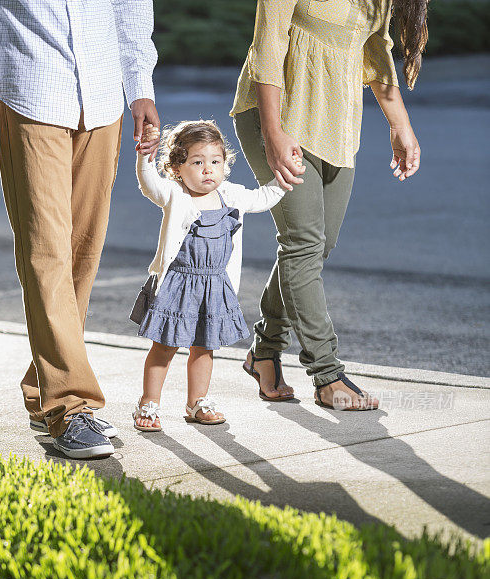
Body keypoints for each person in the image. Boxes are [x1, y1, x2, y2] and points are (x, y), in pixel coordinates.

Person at [0, 0, 159, 458]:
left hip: (104, 96)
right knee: (46, 251)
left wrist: (139, 85)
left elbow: (130, 7)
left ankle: (42, 386)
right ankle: (71, 404)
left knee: (82, 252)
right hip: (29, 86)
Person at [231, 0, 425, 410]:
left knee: (319, 245)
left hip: (335, 123)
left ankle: (263, 352)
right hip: (276, 117)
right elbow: (267, 47)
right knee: (303, 242)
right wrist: (272, 132)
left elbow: (376, 50)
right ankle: (327, 375)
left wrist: (401, 125)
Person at [130, 120, 288, 432]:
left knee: (204, 348)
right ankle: (148, 402)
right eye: (197, 162)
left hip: (214, 286)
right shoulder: (175, 196)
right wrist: (144, 156)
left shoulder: (231, 195)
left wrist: (285, 177)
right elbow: (150, 184)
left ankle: (197, 402)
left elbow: (263, 198)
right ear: (177, 168)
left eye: (215, 162)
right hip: (178, 285)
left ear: (225, 165)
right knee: (164, 347)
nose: (207, 171)